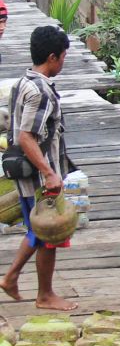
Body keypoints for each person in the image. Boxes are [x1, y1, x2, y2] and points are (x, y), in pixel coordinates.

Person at [0, 25, 77, 310]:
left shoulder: (23, 82)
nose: (64, 62)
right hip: (38, 176)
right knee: (48, 232)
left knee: (37, 231)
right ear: (53, 57)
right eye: (64, 57)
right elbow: (26, 136)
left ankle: (11, 277)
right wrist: (49, 172)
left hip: (26, 172)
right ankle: (44, 294)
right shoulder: (40, 91)